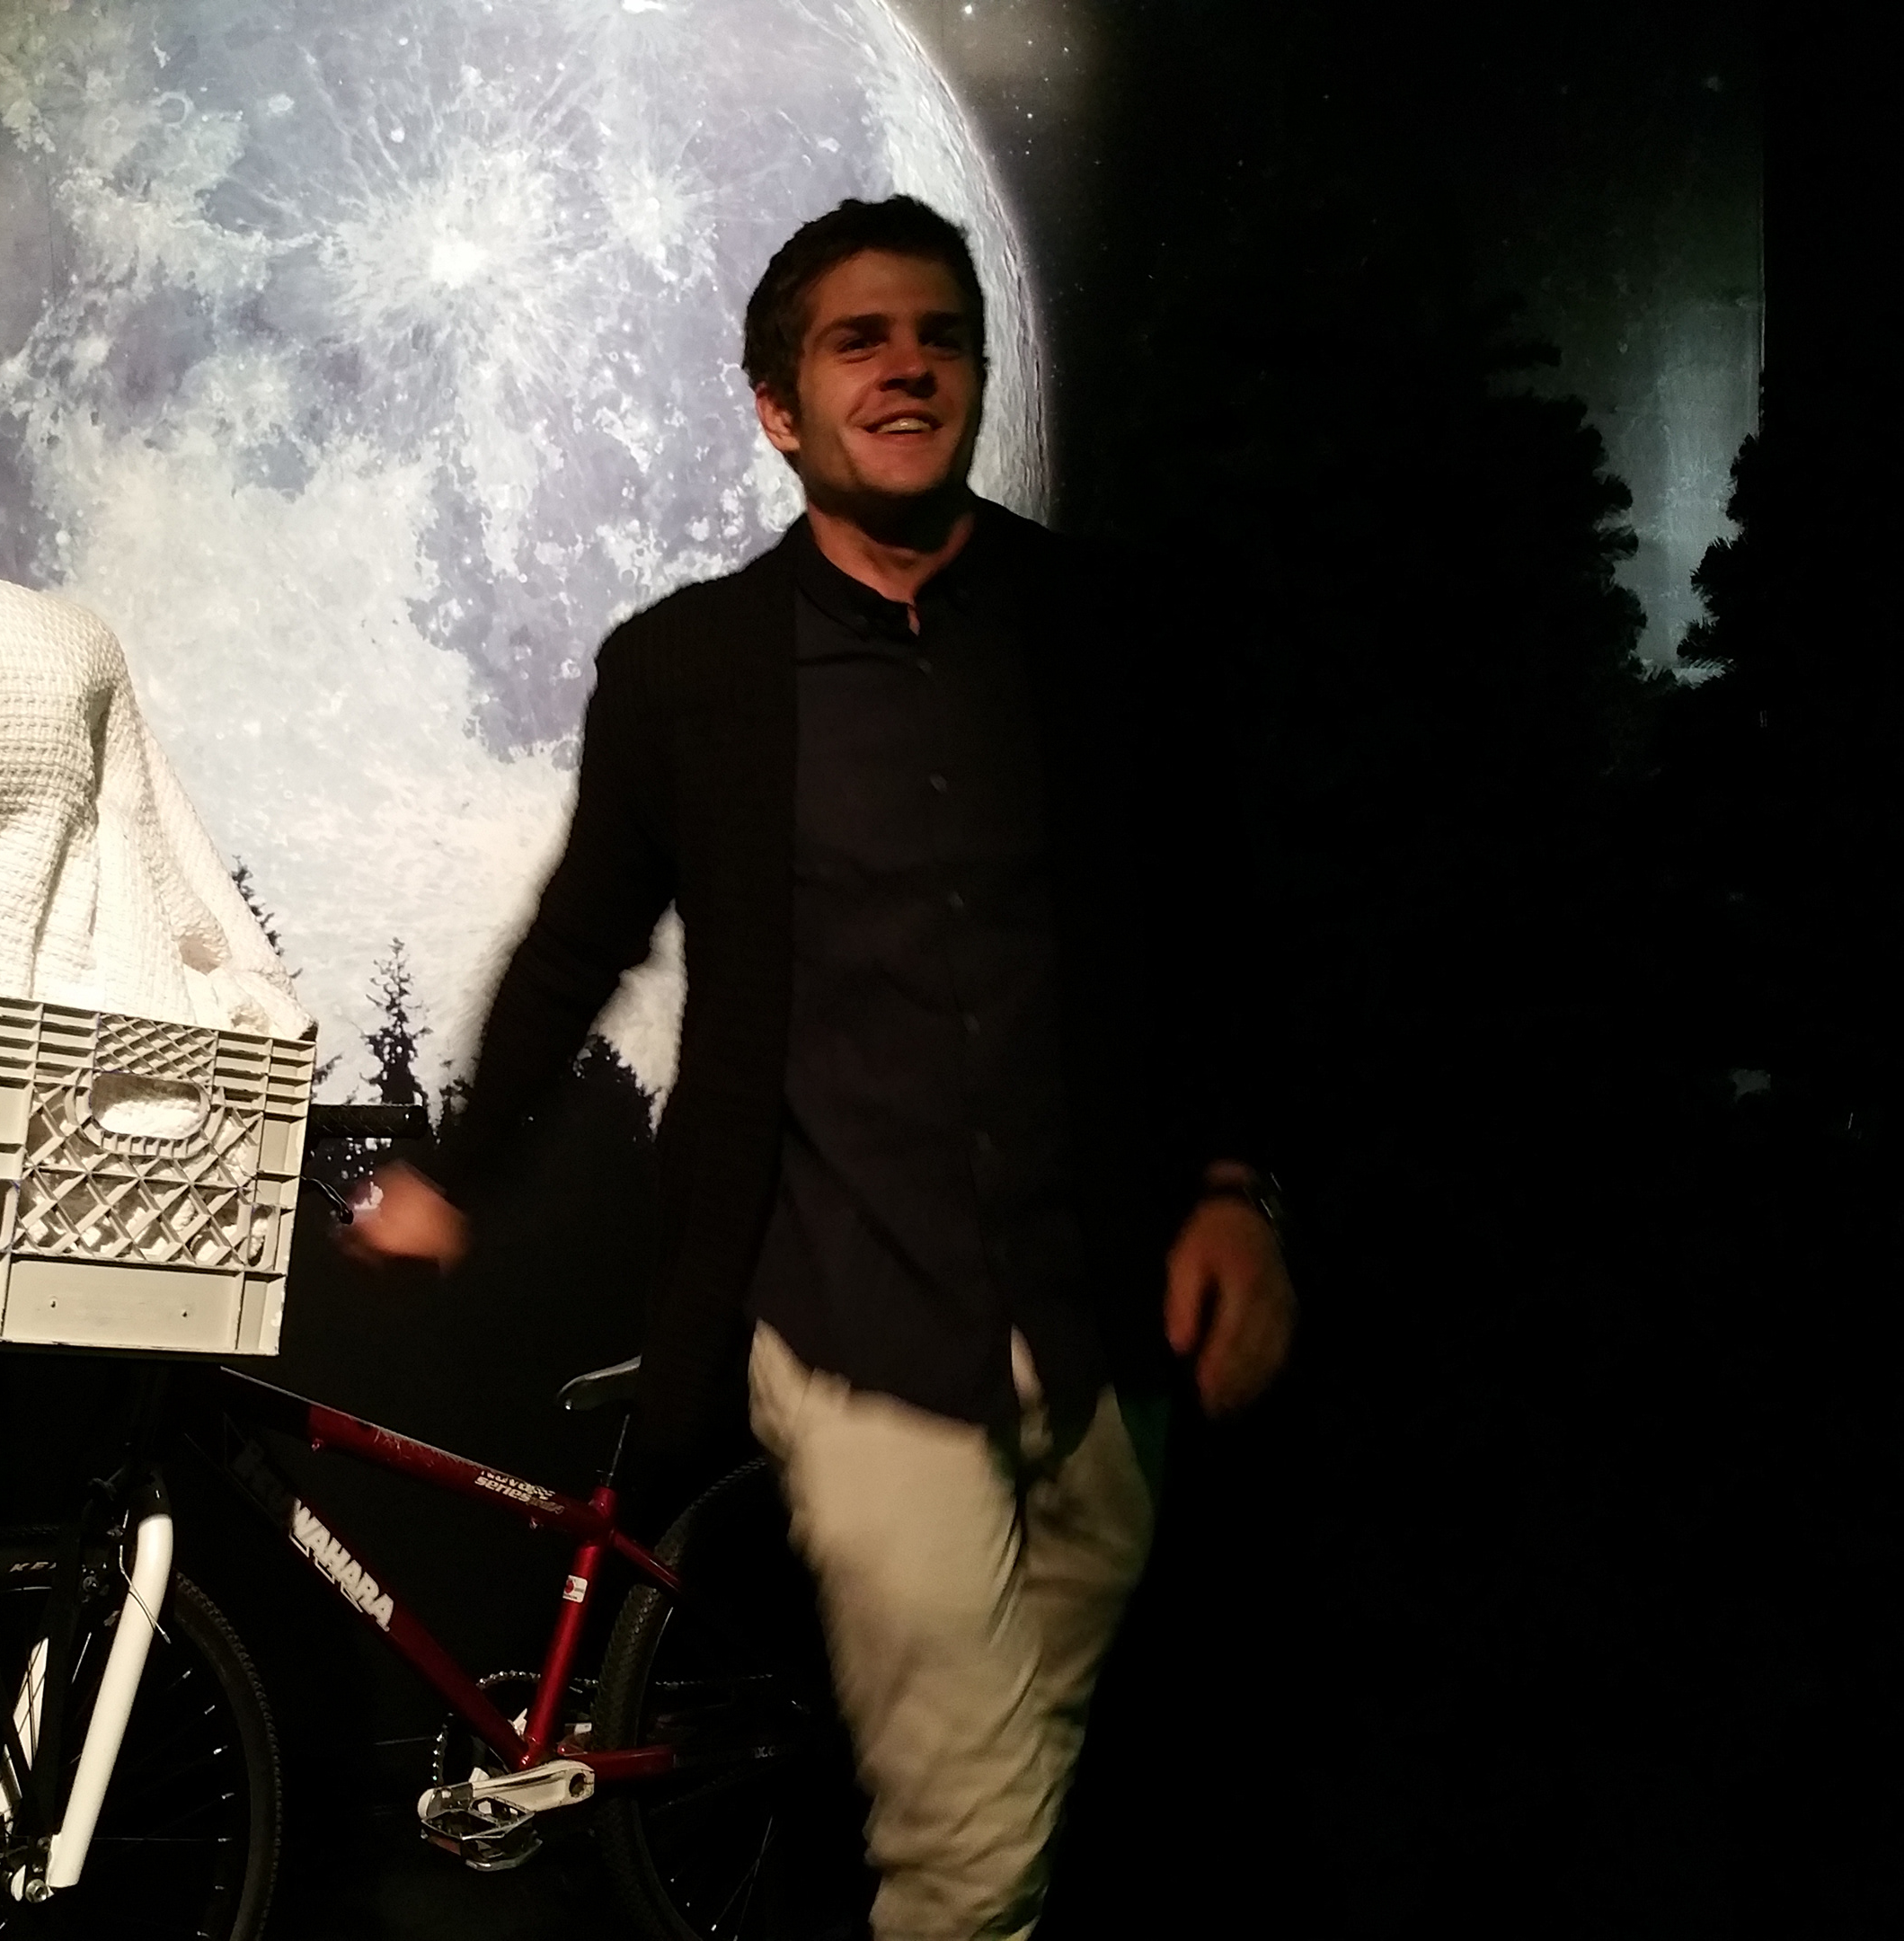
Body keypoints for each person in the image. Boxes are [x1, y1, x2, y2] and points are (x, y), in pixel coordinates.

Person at [341, 195, 1296, 1938]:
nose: (908, 367)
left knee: (1018, 1770)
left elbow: (1210, 929)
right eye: (860, 341)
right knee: (970, 1856)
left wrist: (1236, 1189)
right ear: (780, 409)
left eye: (940, 336)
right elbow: (580, 940)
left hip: (1109, 1336)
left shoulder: (1109, 631)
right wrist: (457, 1176)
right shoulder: (687, 670)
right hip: (856, 1331)